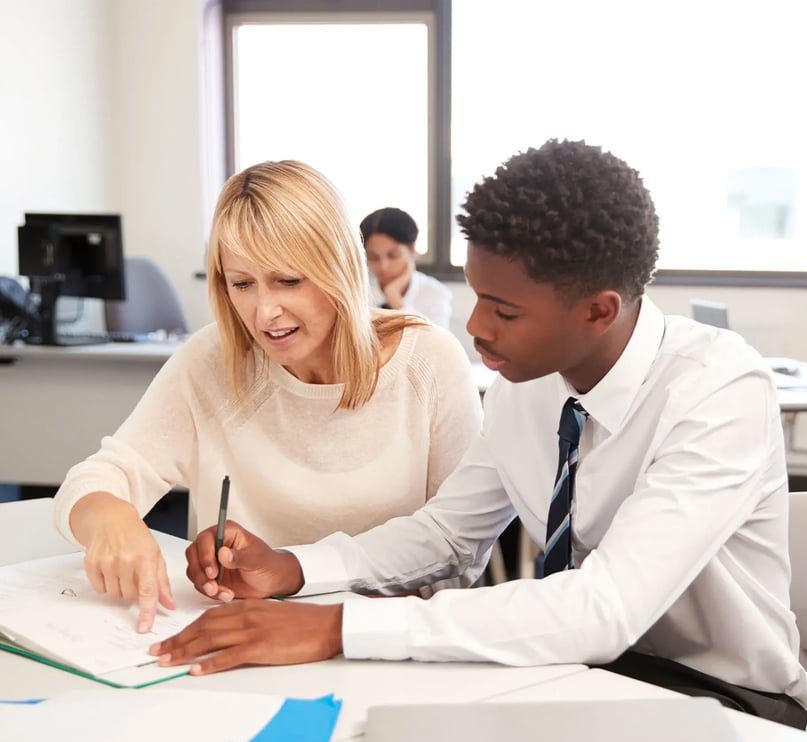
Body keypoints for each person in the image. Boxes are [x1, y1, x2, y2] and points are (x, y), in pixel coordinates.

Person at [153, 139, 807, 729]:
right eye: (474, 296)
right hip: (575, 675)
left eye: (504, 310)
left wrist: (337, 624)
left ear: (598, 311)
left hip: (723, 700)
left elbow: (604, 608)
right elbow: (444, 533)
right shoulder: (525, 387)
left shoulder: (718, 389)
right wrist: (295, 567)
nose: (475, 328)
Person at [53, 160, 484, 633]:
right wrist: (110, 515)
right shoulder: (213, 359)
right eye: (242, 284)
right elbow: (96, 478)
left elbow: (461, 552)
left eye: (289, 281)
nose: (265, 312)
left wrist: (317, 605)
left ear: (338, 267)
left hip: (391, 642)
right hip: (241, 642)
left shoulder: (429, 361)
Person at [359, 207, 452, 328]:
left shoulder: (435, 293)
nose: (383, 267)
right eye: (373, 257)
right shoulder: (359, 290)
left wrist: (395, 299)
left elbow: (437, 344)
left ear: (412, 250)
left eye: (393, 255)